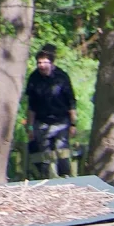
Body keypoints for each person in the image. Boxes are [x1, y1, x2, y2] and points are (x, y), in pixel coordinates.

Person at [25, 44, 77, 177]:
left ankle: (66, 180)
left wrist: (73, 124)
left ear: (52, 63)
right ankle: (46, 180)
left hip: (61, 122)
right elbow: (31, 105)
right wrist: (30, 127)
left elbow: (71, 102)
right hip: (42, 122)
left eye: (44, 62)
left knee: (62, 154)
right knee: (44, 156)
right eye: (39, 62)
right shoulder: (34, 78)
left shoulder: (62, 77)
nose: (41, 65)